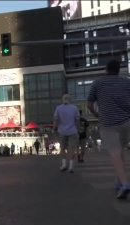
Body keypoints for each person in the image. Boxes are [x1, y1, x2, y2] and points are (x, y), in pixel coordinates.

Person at [87, 59, 130, 200]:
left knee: (115, 153)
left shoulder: (98, 83)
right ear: (118, 70)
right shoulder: (126, 82)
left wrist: (96, 114)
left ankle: (125, 184)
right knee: (120, 151)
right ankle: (119, 181)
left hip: (108, 123)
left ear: (106, 69)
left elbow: (89, 103)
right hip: (126, 123)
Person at [53, 94, 80, 173]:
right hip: (73, 131)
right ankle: (71, 166)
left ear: (62, 99)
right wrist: (78, 130)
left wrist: (54, 128)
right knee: (72, 149)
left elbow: (56, 119)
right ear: (70, 99)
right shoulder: (74, 108)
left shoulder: (58, 108)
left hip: (62, 131)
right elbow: (77, 120)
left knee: (62, 148)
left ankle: (64, 165)